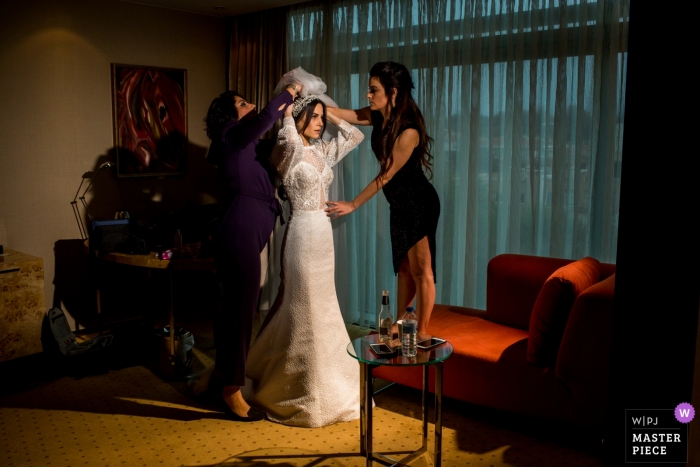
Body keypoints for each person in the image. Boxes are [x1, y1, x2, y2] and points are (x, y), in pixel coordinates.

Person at [244, 94, 365, 427]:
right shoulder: (290, 150)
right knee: (303, 304)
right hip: (300, 233)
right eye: (313, 117)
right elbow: (286, 135)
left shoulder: (321, 151)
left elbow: (356, 137)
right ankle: (294, 383)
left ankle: (329, 379)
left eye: (321, 118)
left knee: (324, 305)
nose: (320, 122)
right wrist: (287, 111)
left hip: (323, 236)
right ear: (298, 119)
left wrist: (330, 110)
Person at [203, 81, 302, 422]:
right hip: (239, 229)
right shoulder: (231, 135)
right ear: (230, 115)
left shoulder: (247, 145)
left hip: (248, 228)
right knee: (242, 313)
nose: (251, 107)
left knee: (236, 310)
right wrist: (290, 90)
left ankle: (221, 377)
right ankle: (232, 390)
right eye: (243, 103)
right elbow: (263, 118)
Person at [324, 61, 440, 341]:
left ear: (393, 92)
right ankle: (402, 324)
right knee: (402, 267)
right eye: (369, 89)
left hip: (418, 203)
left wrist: (352, 204)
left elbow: (385, 176)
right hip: (399, 204)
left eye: (373, 90)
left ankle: (421, 333)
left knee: (421, 271)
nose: (368, 95)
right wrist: (312, 105)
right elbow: (347, 115)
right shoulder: (378, 116)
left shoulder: (409, 130)